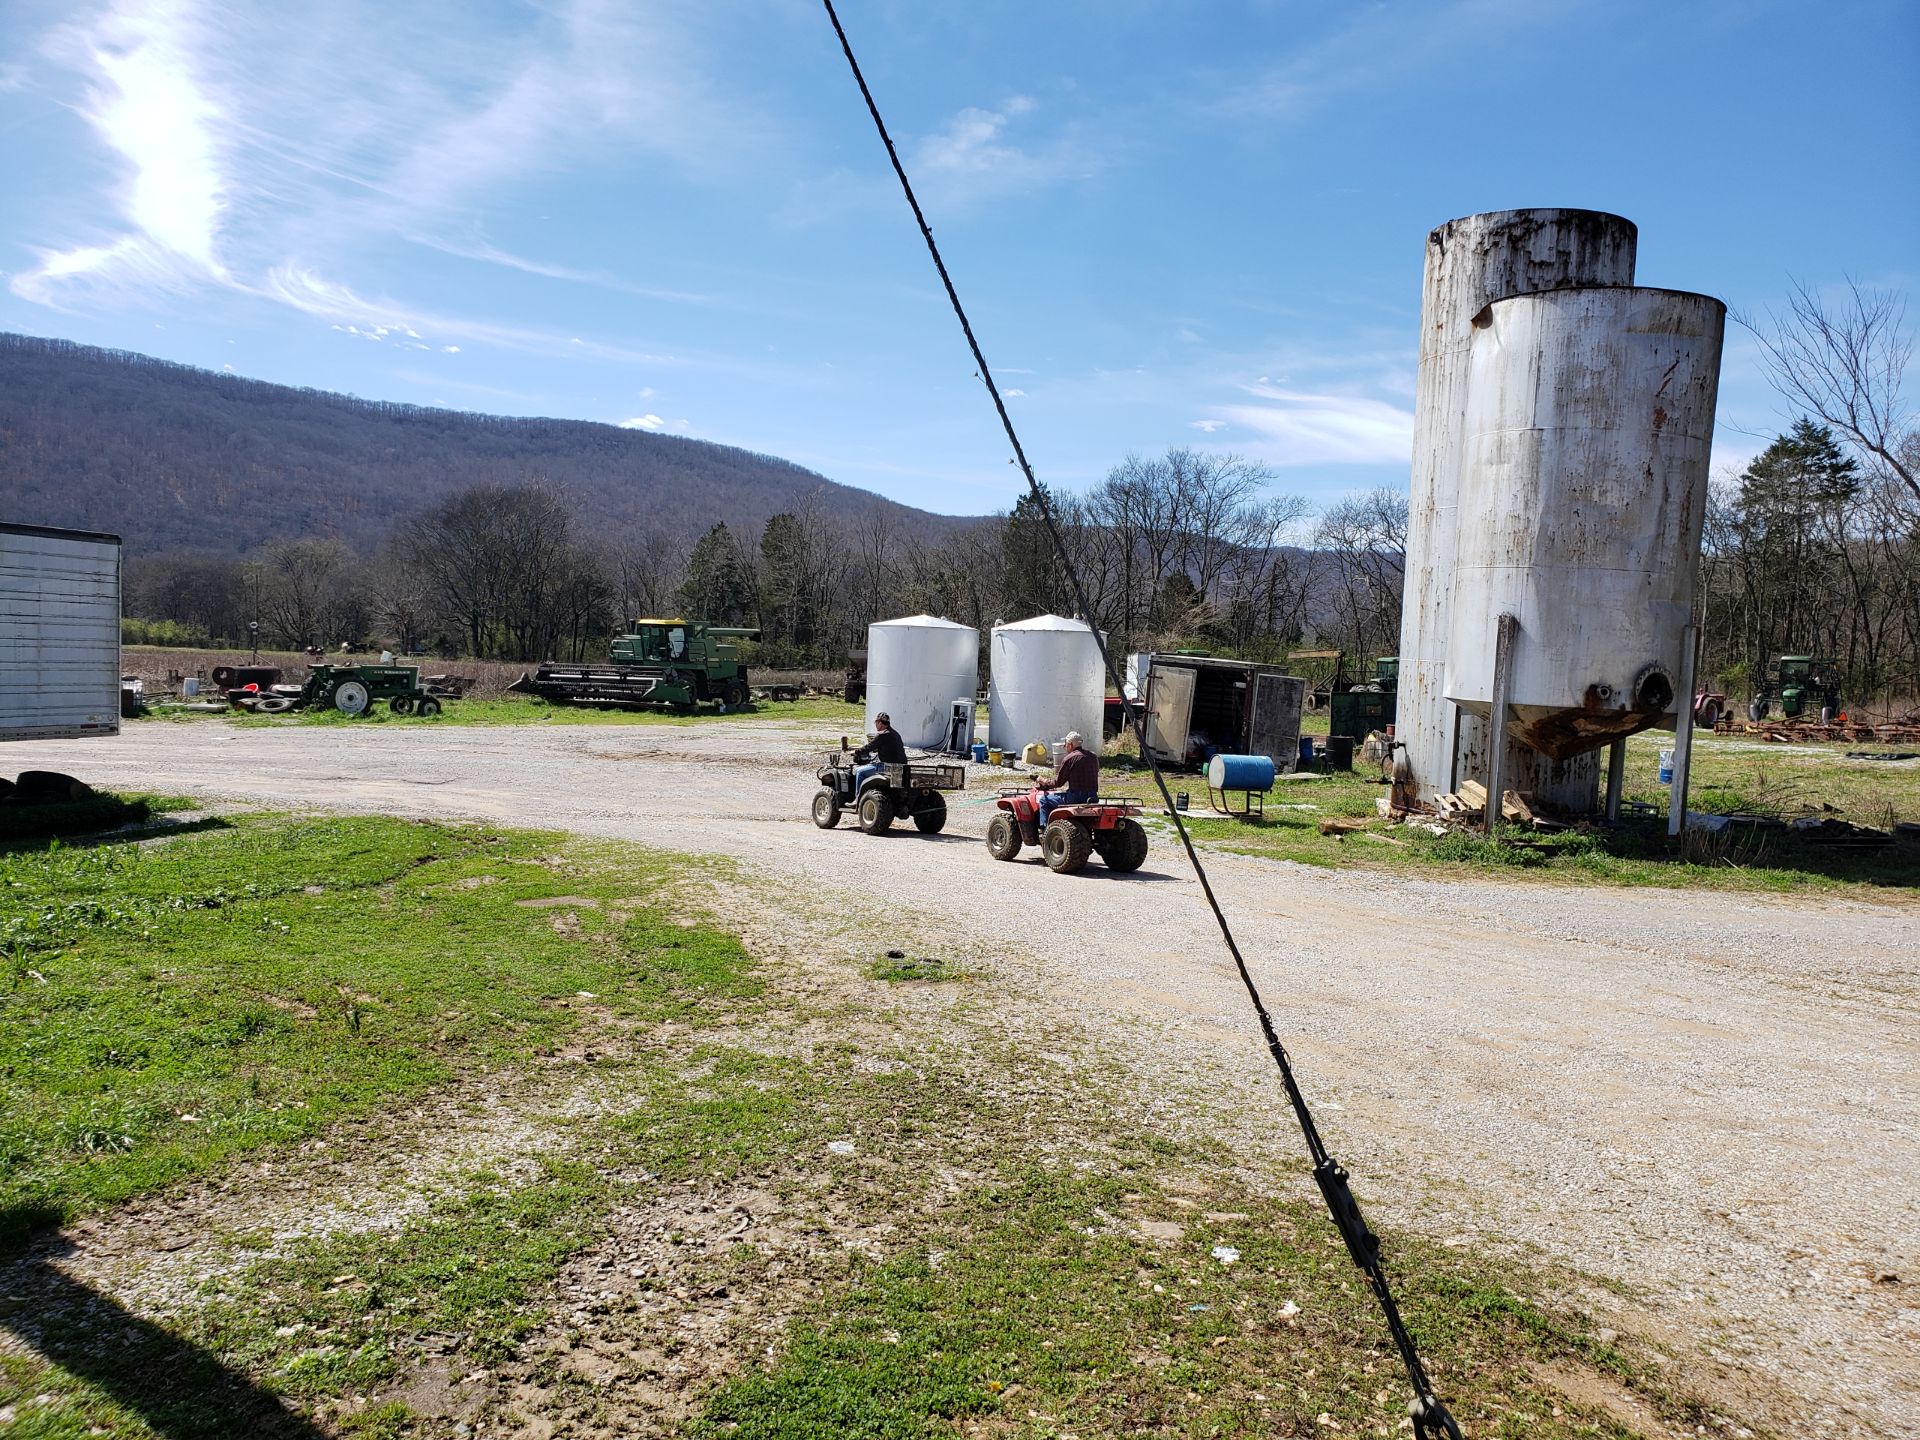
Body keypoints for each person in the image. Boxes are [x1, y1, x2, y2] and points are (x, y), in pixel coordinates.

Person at [1035, 730, 1098, 827]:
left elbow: (1058, 782)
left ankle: (1044, 830)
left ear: (1070, 745)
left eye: (1065, 745)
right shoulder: (1093, 756)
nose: (1065, 748)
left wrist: (1044, 781)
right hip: (1093, 796)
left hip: (1076, 797)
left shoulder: (1070, 758)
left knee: (1044, 800)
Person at [851, 711, 907, 793]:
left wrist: (856, 751)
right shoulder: (896, 734)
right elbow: (890, 748)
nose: (875, 724)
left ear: (880, 723)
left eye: (876, 722)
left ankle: (858, 799)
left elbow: (868, 747)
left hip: (886, 767)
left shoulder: (882, 734)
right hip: (901, 767)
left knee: (860, 772)